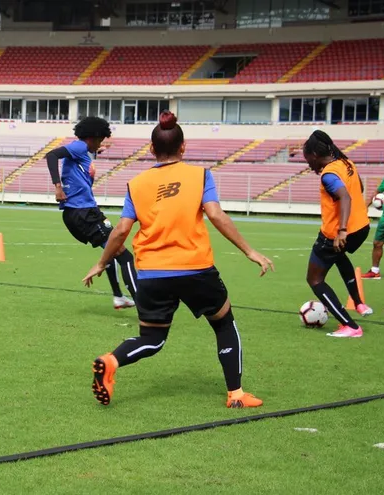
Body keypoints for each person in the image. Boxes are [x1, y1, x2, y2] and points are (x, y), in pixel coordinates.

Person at [83, 112, 273, 408]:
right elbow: (215, 214)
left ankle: (110, 361)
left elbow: (121, 230)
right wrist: (249, 251)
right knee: (223, 323)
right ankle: (236, 394)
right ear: (183, 147)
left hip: (151, 273)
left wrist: (101, 262)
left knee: (151, 339)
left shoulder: (137, 184)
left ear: (151, 149)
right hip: (194, 268)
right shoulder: (199, 175)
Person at [46, 116, 137, 310]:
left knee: (110, 250)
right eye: (100, 139)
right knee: (125, 256)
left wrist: (96, 152)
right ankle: (143, 303)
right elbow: (52, 155)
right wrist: (58, 187)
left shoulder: (83, 152)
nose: (101, 143)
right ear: (93, 137)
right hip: (83, 212)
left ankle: (119, 296)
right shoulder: (79, 147)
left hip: (81, 213)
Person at [302, 130, 372, 338]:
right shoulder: (347, 163)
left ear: (315, 155)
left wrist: (341, 230)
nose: (309, 165)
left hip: (336, 232)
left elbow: (345, 197)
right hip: (361, 227)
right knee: (339, 256)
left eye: (308, 160)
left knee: (314, 279)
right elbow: (357, 188)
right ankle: (359, 304)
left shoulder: (329, 174)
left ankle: (349, 325)